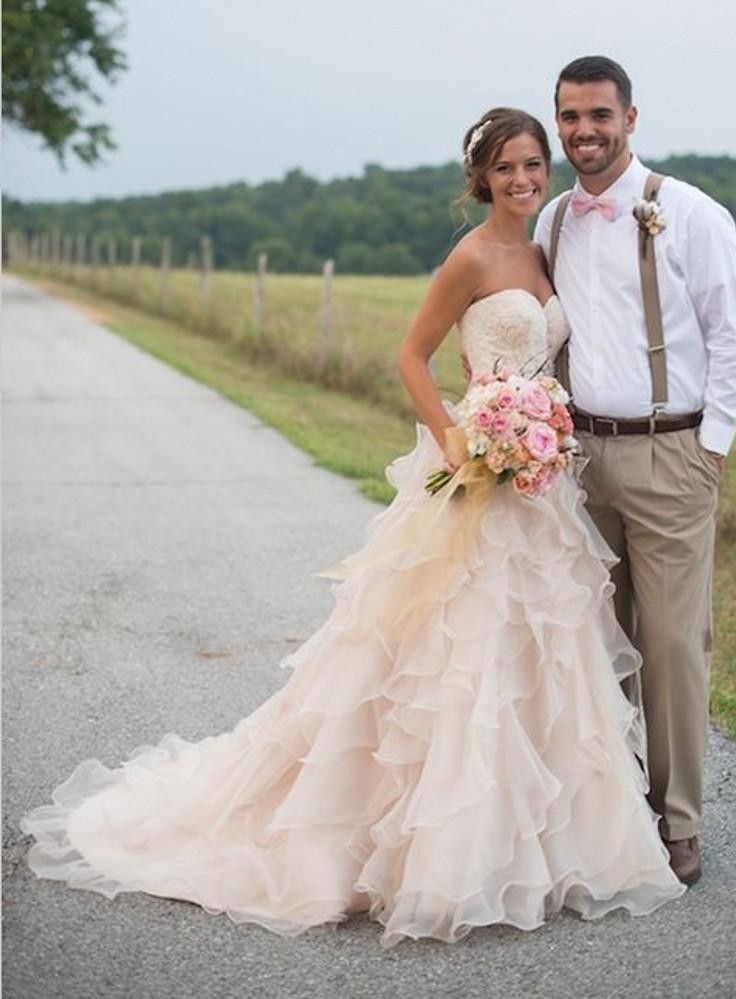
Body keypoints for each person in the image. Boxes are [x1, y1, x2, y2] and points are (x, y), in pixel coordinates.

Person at [21, 107, 684, 949]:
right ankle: (437, 852)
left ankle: (553, 846)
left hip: (541, 485)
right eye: (507, 167)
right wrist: (463, 437)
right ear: (481, 178)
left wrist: (538, 432)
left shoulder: (546, 248)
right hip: (480, 473)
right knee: (454, 657)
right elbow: (411, 355)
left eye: (533, 165)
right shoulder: (472, 256)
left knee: (542, 654)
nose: (523, 179)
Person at [534, 57, 736, 885]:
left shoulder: (692, 213)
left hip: (673, 453)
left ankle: (679, 821)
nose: (584, 131)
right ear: (557, 122)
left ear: (631, 117)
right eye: (569, 117)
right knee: (596, 640)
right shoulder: (552, 221)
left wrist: (711, 448)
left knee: (670, 644)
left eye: (599, 115)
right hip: (577, 460)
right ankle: (613, 805)